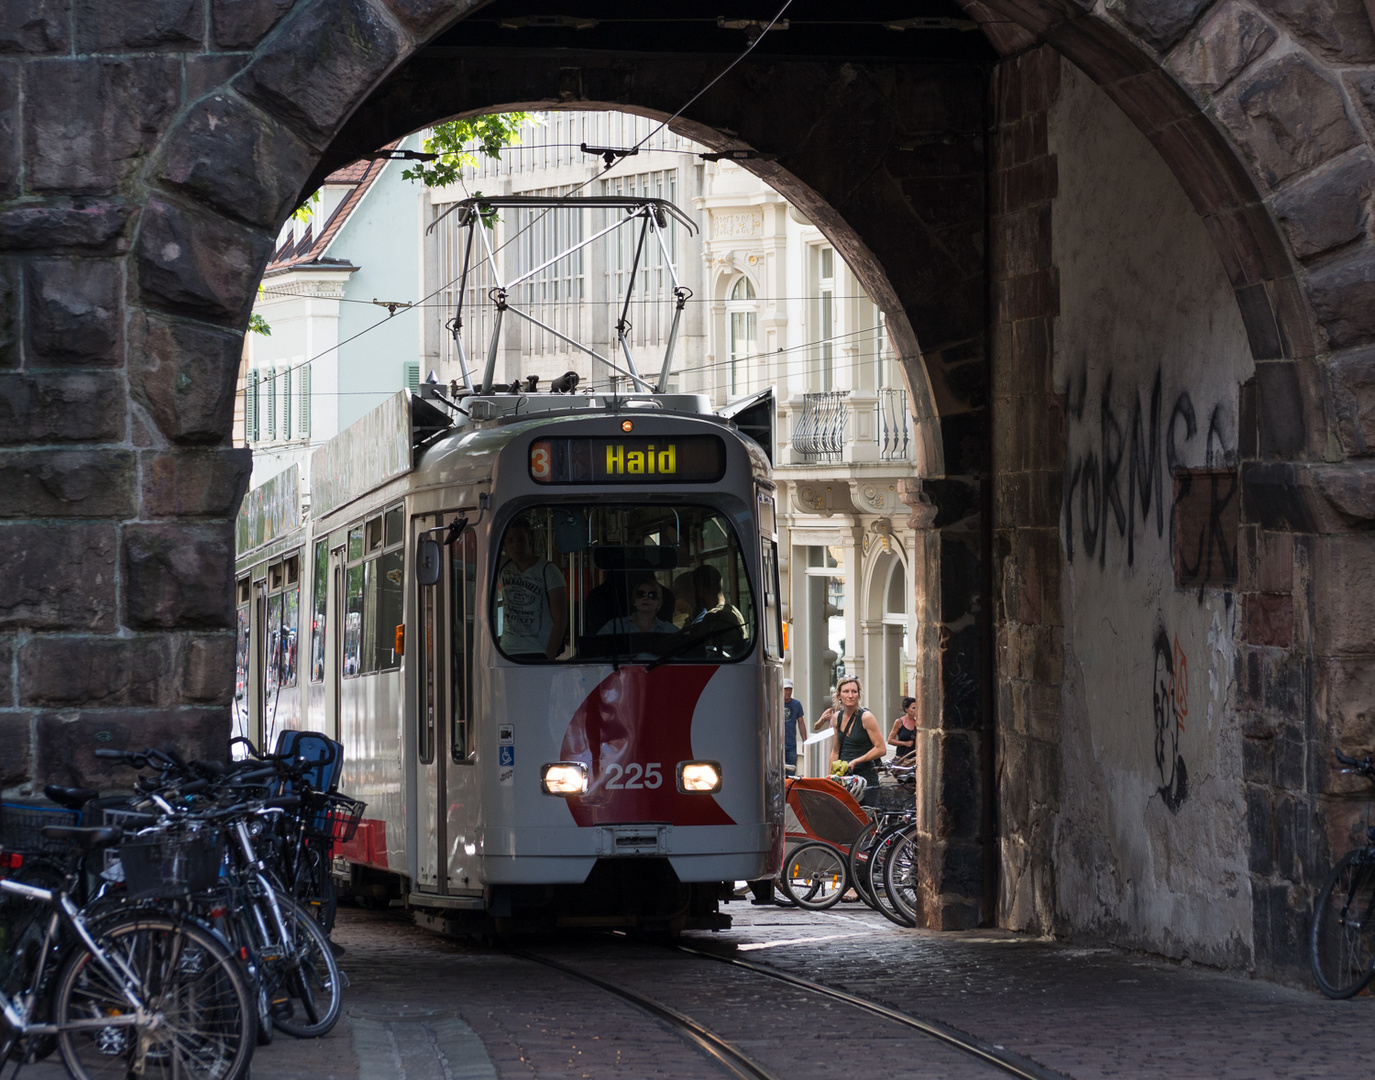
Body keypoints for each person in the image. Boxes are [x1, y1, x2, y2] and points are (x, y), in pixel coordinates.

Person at [497, 517, 568, 660]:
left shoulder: (549, 571)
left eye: (520, 539)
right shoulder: (503, 569)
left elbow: (560, 618)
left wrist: (549, 656)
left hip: (538, 650)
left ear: (529, 538)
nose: (516, 545)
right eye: (510, 541)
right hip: (507, 651)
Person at [817, 676, 884, 792]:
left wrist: (856, 761)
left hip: (865, 778)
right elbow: (835, 750)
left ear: (858, 695)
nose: (850, 696)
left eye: (854, 691)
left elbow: (881, 749)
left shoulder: (866, 717)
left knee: (863, 810)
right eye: (846, 691)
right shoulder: (837, 717)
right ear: (839, 696)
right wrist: (829, 778)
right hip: (844, 777)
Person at [685, 564, 745, 649]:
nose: (690, 596)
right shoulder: (734, 610)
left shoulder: (713, 618)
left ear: (701, 590)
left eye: (692, 590)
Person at [596, 576, 677, 635]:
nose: (646, 598)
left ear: (659, 602)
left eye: (652, 595)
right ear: (634, 600)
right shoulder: (615, 627)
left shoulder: (670, 630)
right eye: (640, 594)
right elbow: (596, 649)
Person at [783, 679, 806, 772]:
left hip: (791, 744)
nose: (788, 692)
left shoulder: (796, 704)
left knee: (791, 773)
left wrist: (805, 741)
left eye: (790, 689)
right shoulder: (775, 702)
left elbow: (801, 723)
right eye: (786, 689)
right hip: (778, 746)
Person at [888, 696, 917, 760]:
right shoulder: (899, 722)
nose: (916, 710)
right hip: (901, 758)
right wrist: (905, 743)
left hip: (913, 760)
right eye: (913, 708)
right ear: (906, 709)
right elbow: (890, 740)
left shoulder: (917, 723)